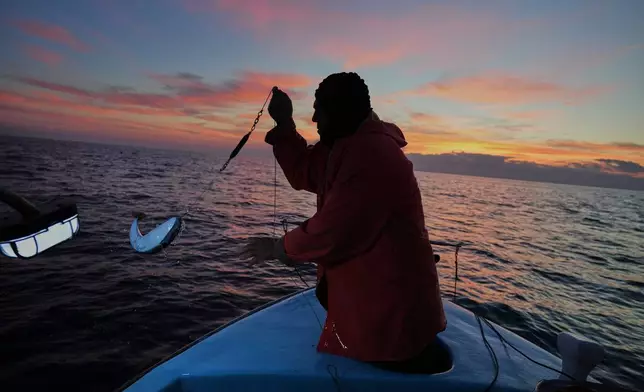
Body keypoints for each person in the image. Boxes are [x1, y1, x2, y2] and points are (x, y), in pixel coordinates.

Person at [241, 72, 449, 373]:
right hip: (373, 315)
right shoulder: (344, 145)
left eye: (319, 109)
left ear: (341, 112)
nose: (313, 118)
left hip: (391, 328)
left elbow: (331, 233)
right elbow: (304, 171)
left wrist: (276, 248)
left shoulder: (372, 158)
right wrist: (284, 124)